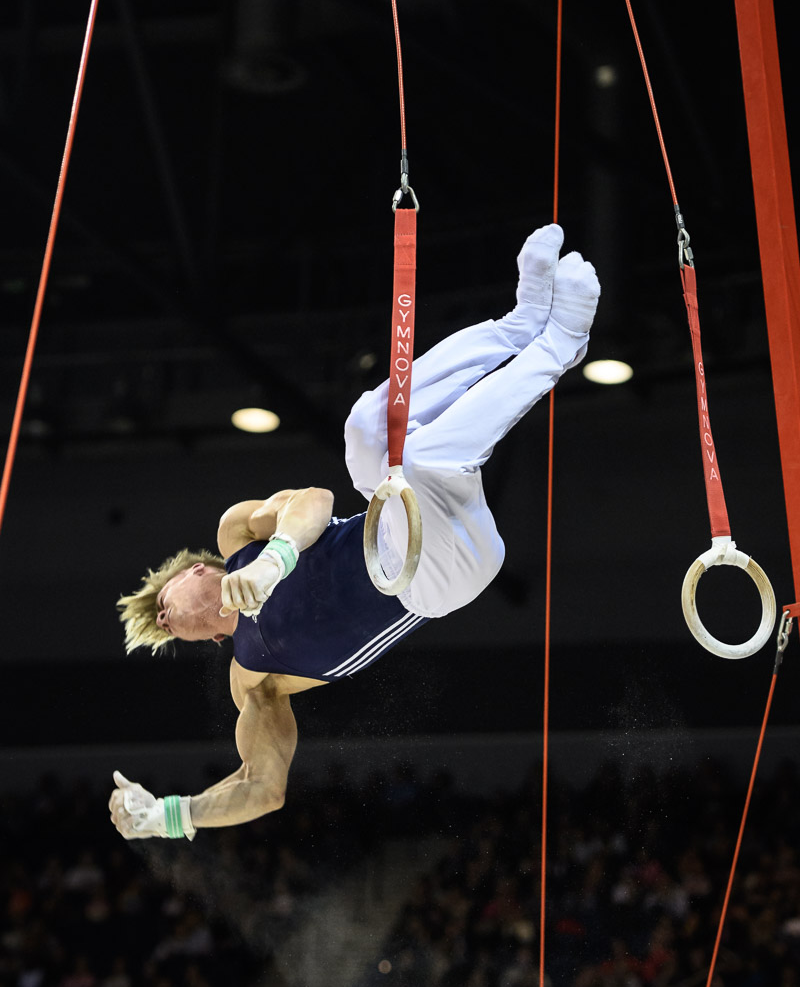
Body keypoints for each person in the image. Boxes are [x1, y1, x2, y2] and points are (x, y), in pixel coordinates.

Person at [109, 223, 599, 842]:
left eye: (163, 605)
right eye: (168, 630)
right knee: (422, 459)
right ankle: (561, 344)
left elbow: (316, 501)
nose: (168, 621)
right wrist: (168, 816)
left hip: (391, 524)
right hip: (432, 582)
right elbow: (262, 789)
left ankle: (522, 324)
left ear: (195, 570)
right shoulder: (253, 676)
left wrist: (273, 560)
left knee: (366, 427)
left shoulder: (238, 536)